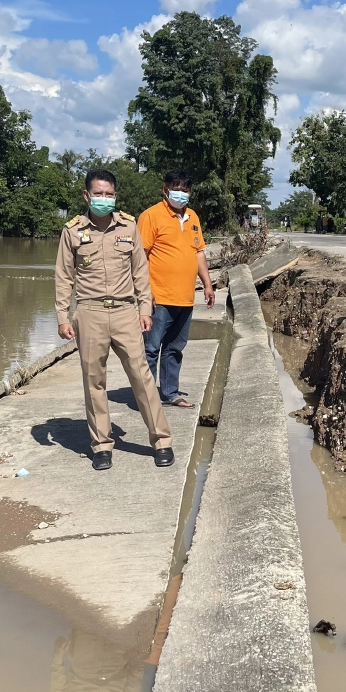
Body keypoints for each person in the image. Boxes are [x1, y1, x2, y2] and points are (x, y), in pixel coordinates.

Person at [55, 169, 174, 471]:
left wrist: (145, 309)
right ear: (87, 196)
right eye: (98, 194)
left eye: (109, 194)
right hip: (90, 313)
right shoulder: (72, 231)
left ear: (115, 195)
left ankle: (161, 440)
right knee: (94, 381)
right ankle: (102, 446)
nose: (104, 199)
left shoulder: (129, 227)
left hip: (125, 312)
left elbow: (140, 272)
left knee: (141, 376)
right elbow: (64, 277)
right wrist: (62, 316)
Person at [138, 169, 216, 409]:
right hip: (158, 297)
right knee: (151, 348)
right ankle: (147, 396)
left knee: (175, 348)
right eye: (176, 189)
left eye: (185, 190)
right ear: (165, 190)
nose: (180, 194)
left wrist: (208, 284)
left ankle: (170, 393)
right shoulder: (151, 216)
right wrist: (145, 293)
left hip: (185, 298)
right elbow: (140, 257)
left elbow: (199, 252)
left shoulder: (192, 217)